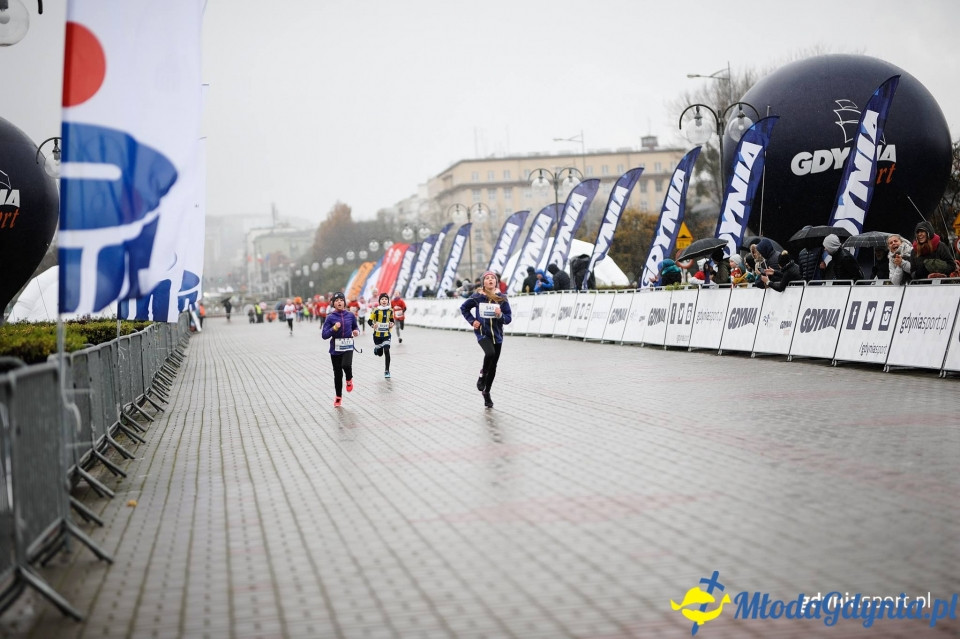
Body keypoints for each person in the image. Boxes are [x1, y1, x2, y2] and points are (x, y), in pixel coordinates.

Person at [460, 271, 512, 408]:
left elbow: (508, 318)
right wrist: (472, 321)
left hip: (497, 335)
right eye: (487, 278)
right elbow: (464, 308)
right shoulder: (477, 297)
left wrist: (500, 315)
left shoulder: (502, 298)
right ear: (483, 282)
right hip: (482, 333)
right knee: (490, 353)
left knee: (493, 367)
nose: (490, 280)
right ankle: (482, 374)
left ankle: (486, 392)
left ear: (496, 282)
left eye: (492, 278)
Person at [321, 292, 360, 407]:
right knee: (337, 374)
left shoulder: (350, 315)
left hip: (348, 345)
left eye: (341, 300)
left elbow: (355, 326)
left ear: (344, 302)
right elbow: (324, 335)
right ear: (333, 303)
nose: (339, 302)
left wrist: (356, 331)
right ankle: (338, 397)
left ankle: (349, 379)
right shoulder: (330, 317)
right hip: (335, 349)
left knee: (346, 365)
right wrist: (334, 328)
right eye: (337, 300)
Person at [367, 293, 395, 378]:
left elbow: (392, 320)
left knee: (386, 350)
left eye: (386, 299)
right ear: (379, 301)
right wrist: (373, 325)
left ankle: (387, 371)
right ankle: (377, 349)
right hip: (377, 336)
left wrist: (391, 324)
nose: (384, 301)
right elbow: (369, 321)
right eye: (382, 299)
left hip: (386, 334)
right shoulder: (375, 310)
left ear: (388, 301)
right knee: (380, 354)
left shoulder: (390, 310)